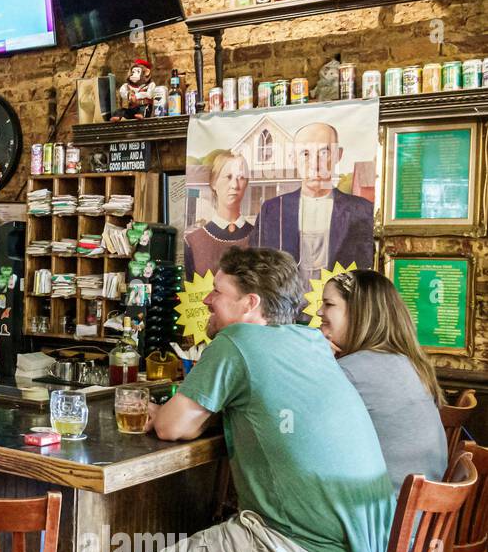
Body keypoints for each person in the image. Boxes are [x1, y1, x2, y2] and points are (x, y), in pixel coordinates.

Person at [117, 247, 395, 552]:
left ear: (249, 304)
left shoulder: (238, 341)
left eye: (217, 294)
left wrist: (163, 412)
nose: (208, 303)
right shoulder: (311, 342)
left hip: (306, 551)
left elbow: (173, 426)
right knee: (226, 537)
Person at [318, 269, 447, 494]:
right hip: (422, 519)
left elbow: (299, 436)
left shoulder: (352, 371)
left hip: (383, 520)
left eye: (328, 304)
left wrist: (314, 358)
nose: (319, 311)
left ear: (358, 312)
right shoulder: (406, 361)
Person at [251, 122, 374, 285]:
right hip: (285, 309)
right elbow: (257, 270)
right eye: (305, 153)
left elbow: (367, 272)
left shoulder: (361, 211)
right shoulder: (272, 211)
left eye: (324, 152)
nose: (315, 164)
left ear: (338, 155)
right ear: (293, 159)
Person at [184, 150, 255, 278]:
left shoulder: (260, 238)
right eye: (228, 177)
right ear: (214, 182)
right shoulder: (193, 242)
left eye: (241, 178)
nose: (234, 185)